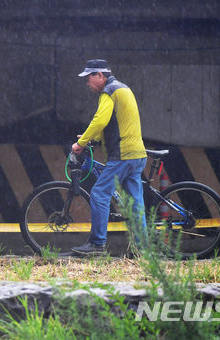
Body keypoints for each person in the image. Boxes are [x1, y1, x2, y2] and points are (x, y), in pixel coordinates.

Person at [70, 59, 147, 255]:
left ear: (100, 76)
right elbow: (115, 122)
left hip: (122, 155)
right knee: (134, 203)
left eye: (89, 77)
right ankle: (142, 248)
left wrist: (82, 143)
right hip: (137, 154)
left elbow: (100, 119)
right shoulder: (124, 89)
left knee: (99, 193)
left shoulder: (109, 91)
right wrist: (91, 137)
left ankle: (97, 244)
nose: (87, 82)